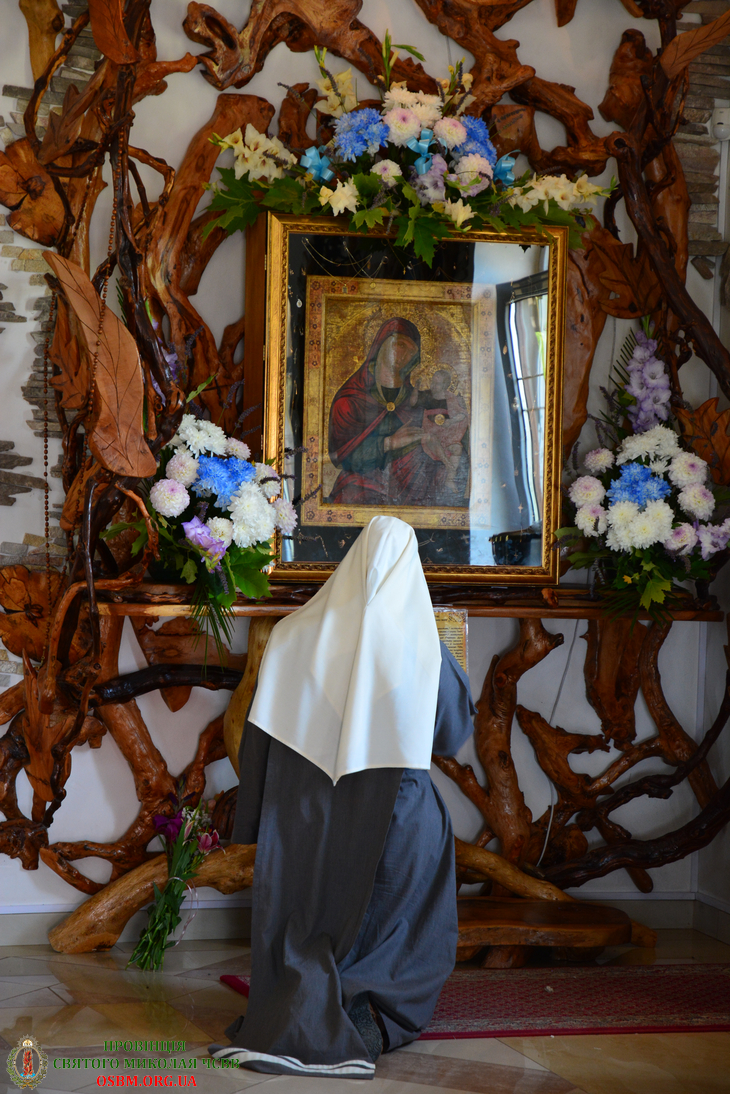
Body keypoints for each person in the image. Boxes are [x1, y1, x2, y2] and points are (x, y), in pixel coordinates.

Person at [210, 515, 475, 1079]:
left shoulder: (290, 634)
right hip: (396, 820)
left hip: (301, 818)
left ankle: (301, 1011)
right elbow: (451, 737)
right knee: (405, 923)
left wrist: (254, 823)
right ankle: (368, 1018)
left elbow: (258, 741)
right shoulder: (426, 651)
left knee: (305, 926)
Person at [328, 318, 440, 507]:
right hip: (362, 486)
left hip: (411, 488)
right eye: (400, 345)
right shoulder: (350, 400)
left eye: (411, 351)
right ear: (381, 343)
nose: (404, 355)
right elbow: (341, 458)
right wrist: (389, 443)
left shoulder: (415, 401)